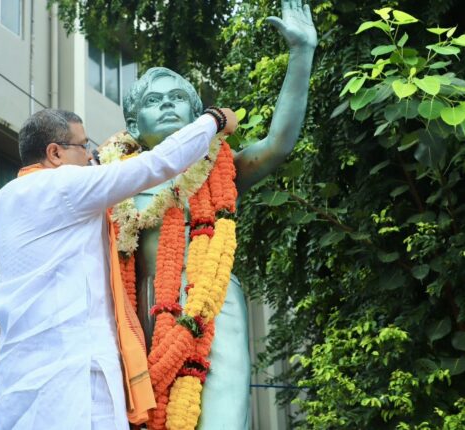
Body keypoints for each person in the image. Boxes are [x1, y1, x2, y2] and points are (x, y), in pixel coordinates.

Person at [107, 1, 317, 428]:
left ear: (197, 113)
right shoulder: (111, 184)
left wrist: (301, 55)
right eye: (153, 100)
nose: (167, 106)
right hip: (134, 312)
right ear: (132, 122)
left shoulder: (217, 168)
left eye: (178, 98)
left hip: (212, 302)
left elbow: (278, 144)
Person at [0, 107, 237, 430]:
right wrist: (214, 121)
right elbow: (157, 164)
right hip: (73, 385)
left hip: (18, 385)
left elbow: (98, 169)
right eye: (83, 146)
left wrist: (104, 155)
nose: (89, 157)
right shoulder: (64, 187)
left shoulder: (5, 200)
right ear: (54, 153)